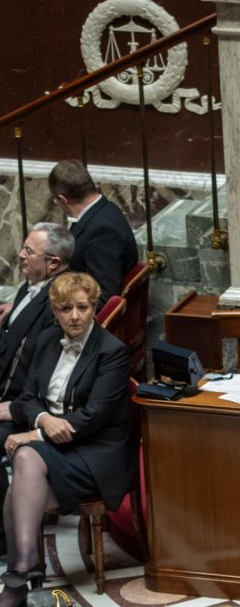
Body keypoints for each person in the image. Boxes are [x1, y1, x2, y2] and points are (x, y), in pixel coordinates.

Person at [0, 272, 131, 607]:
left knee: (25, 459)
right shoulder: (45, 340)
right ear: (54, 311)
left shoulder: (112, 352)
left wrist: (37, 432)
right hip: (54, 446)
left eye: (83, 307)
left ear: (94, 308)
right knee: (20, 479)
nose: (74, 316)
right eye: (65, 308)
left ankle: (20, 578)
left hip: (94, 453)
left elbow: (93, 418)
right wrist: (43, 419)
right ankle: (25, 571)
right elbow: (27, 398)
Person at [0, 223, 74, 549]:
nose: (21, 255)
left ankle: (4, 537)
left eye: (29, 251)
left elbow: (40, 371)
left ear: (54, 263)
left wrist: (12, 407)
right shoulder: (34, 283)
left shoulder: (58, 304)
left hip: (26, 405)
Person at [48, 159, 137, 304]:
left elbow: (102, 295)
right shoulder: (104, 209)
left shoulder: (103, 231)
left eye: (57, 202)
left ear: (63, 199)